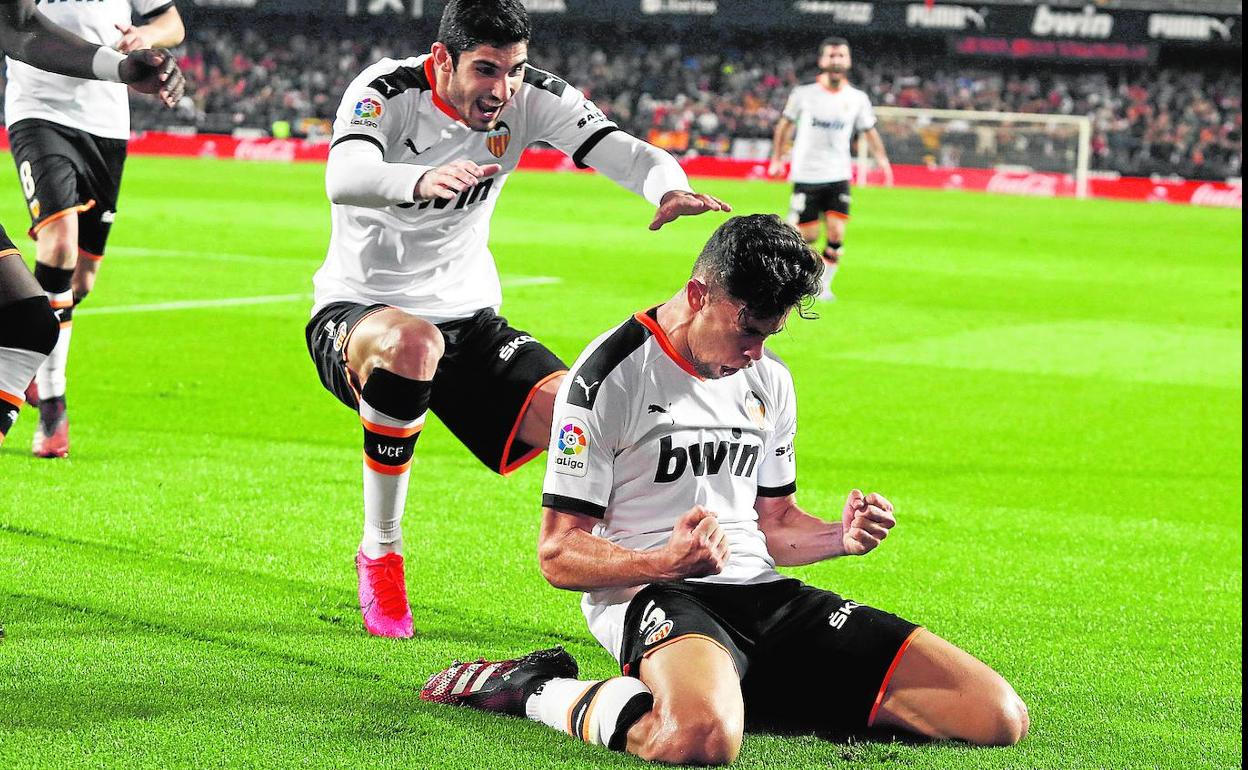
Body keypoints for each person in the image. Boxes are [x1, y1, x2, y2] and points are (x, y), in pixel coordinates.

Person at [420, 214, 1028, 764]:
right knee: (697, 742)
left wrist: (838, 538)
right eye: (748, 330)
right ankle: (536, 689)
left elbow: (776, 525)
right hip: (655, 593)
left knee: (995, 717)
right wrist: (663, 560)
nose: (755, 353)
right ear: (698, 295)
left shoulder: (768, 379)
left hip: (762, 593)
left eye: (771, 335)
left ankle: (731, 690)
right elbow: (557, 555)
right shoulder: (607, 380)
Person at [305, 0, 730, 639]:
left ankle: (645, 573)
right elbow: (346, 174)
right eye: (485, 70)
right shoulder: (385, 89)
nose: (501, 90)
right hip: (360, 315)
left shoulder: (528, 96)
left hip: (471, 323)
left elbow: (623, 150)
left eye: (513, 70)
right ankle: (382, 551)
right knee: (412, 344)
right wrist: (422, 179)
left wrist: (665, 186)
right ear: (443, 59)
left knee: (587, 415)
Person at [0, 0, 184, 449]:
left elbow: (172, 22)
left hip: (105, 120)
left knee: (77, 282)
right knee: (57, 246)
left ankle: (36, 365)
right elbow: (19, 27)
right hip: (38, 110)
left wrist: (141, 45)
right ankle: (52, 400)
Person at [767, 37, 891, 301]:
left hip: (838, 174)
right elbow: (783, 127)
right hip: (806, 174)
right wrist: (777, 158)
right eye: (832, 56)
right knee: (807, 235)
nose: (836, 61)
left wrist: (882, 161)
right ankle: (793, 273)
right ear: (822, 61)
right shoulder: (803, 94)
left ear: (848, 61)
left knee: (836, 233)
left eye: (841, 56)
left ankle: (824, 285)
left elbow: (869, 130)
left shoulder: (857, 98)